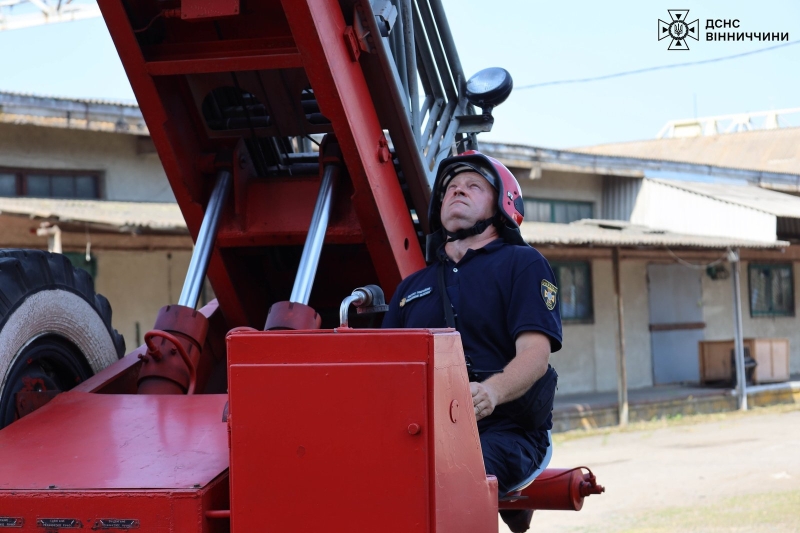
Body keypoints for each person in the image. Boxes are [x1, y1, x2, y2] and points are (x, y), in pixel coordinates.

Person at [382, 150, 562, 533]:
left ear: (502, 205)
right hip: (422, 435)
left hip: (508, 432)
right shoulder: (411, 288)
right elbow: (385, 371)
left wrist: (492, 392)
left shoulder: (524, 263)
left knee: (450, 474)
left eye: (473, 186)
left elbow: (536, 353)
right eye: (450, 188)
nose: (457, 191)